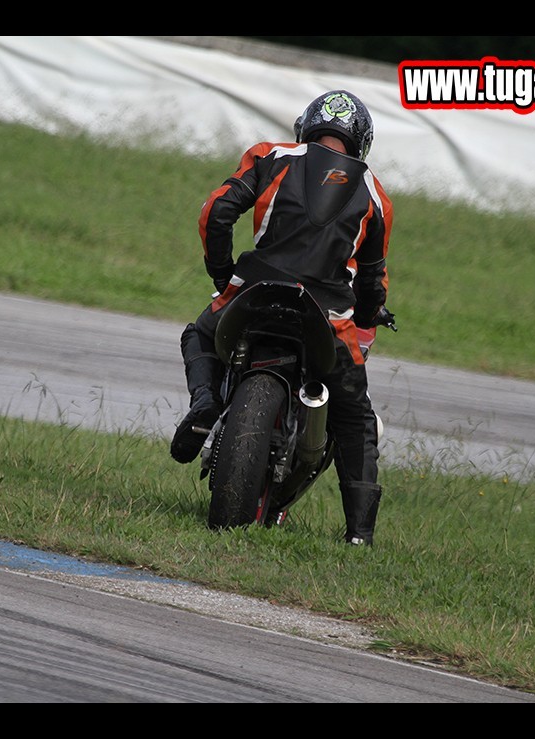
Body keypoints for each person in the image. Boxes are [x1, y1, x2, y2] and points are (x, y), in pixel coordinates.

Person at [169, 89, 394, 546]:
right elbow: (373, 282)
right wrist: (371, 313)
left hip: (252, 289)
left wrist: (223, 272)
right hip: (328, 315)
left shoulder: (270, 155)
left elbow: (216, 212)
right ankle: (359, 537)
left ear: (305, 126)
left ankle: (205, 403)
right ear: (362, 143)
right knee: (355, 418)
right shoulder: (376, 196)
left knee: (199, 334)